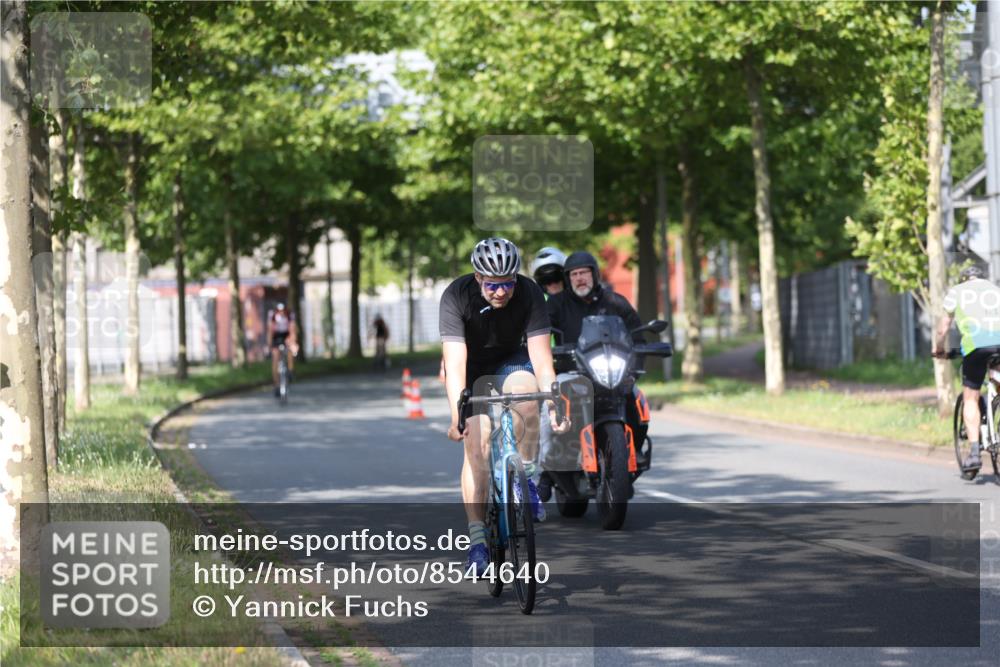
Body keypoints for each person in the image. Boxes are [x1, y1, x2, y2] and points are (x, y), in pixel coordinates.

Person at [439, 237, 568, 575]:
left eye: (508, 282)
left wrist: (554, 400)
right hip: (471, 365)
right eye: (493, 284)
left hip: (512, 360)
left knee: (528, 398)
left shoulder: (528, 293)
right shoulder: (455, 296)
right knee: (477, 444)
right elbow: (454, 363)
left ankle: (526, 478)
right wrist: (458, 415)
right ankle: (478, 542)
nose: (501, 291)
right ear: (479, 278)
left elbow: (541, 357)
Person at [542, 251, 647, 500]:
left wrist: (637, 363)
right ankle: (545, 469)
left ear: (594, 274)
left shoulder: (615, 302)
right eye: (574, 275)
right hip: (572, 372)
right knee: (550, 413)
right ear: (568, 279)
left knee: (637, 401)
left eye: (584, 273)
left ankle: (632, 454)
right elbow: (540, 335)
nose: (580, 279)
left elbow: (638, 336)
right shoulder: (556, 304)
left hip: (612, 373)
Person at [933, 264, 1000, 472]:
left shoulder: (957, 291)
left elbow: (943, 328)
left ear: (965, 280)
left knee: (970, 397)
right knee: (997, 382)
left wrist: (939, 350)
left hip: (976, 347)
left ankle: (973, 453)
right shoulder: (996, 290)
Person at [267, 302, 298, 396]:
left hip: (286, 335)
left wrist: (293, 342)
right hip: (276, 336)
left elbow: (292, 330)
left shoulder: (289, 315)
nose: (281, 312)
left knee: (289, 349)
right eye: (279, 311)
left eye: (283, 310)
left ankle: (290, 370)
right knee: (275, 358)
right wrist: (269, 345)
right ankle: (276, 384)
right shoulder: (272, 315)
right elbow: (270, 331)